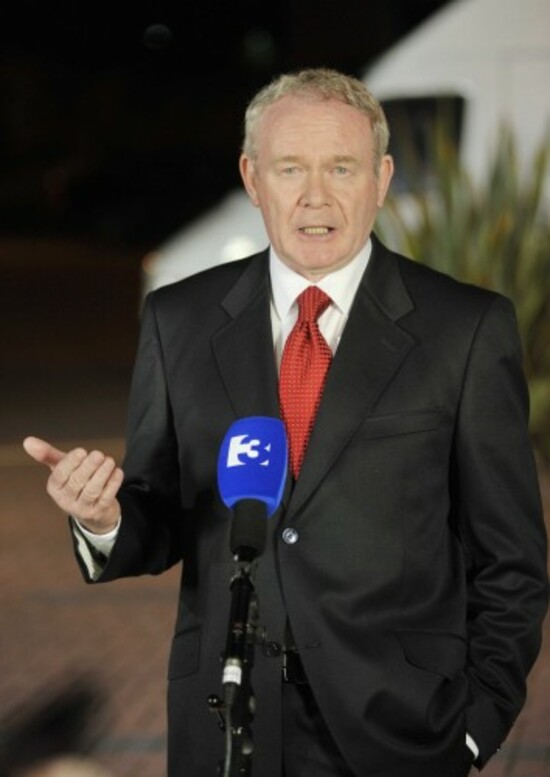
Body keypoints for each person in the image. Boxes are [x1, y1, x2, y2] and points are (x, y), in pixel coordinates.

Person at [24, 68, 548, 777]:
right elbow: (166, 516)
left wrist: (474, 727)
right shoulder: (178, 320)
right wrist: (104, 518)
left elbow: (512, 561)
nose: (315, 196)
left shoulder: (466, 328)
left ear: (382, 178)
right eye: (291, 168)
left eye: (342, 168)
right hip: (227, 727)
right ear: (252, 177)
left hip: (402, 731)